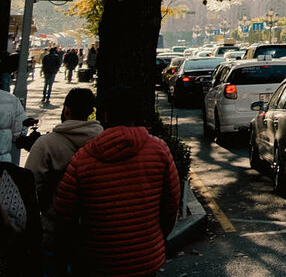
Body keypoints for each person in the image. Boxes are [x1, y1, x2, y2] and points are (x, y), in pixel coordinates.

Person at [54, 85, 181, 277]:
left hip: (98, 260)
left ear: (105, 115)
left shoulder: (83, 159)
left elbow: (64, 214)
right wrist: (156, 237)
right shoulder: (159, 150)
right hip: (145, 257)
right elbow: (172, 202)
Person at [26, 88, 102, 273]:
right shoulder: (103, 141)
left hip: (55, 231)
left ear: (67, 110)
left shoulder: (46, 144)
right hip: (96, 232)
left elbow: (29, 187)